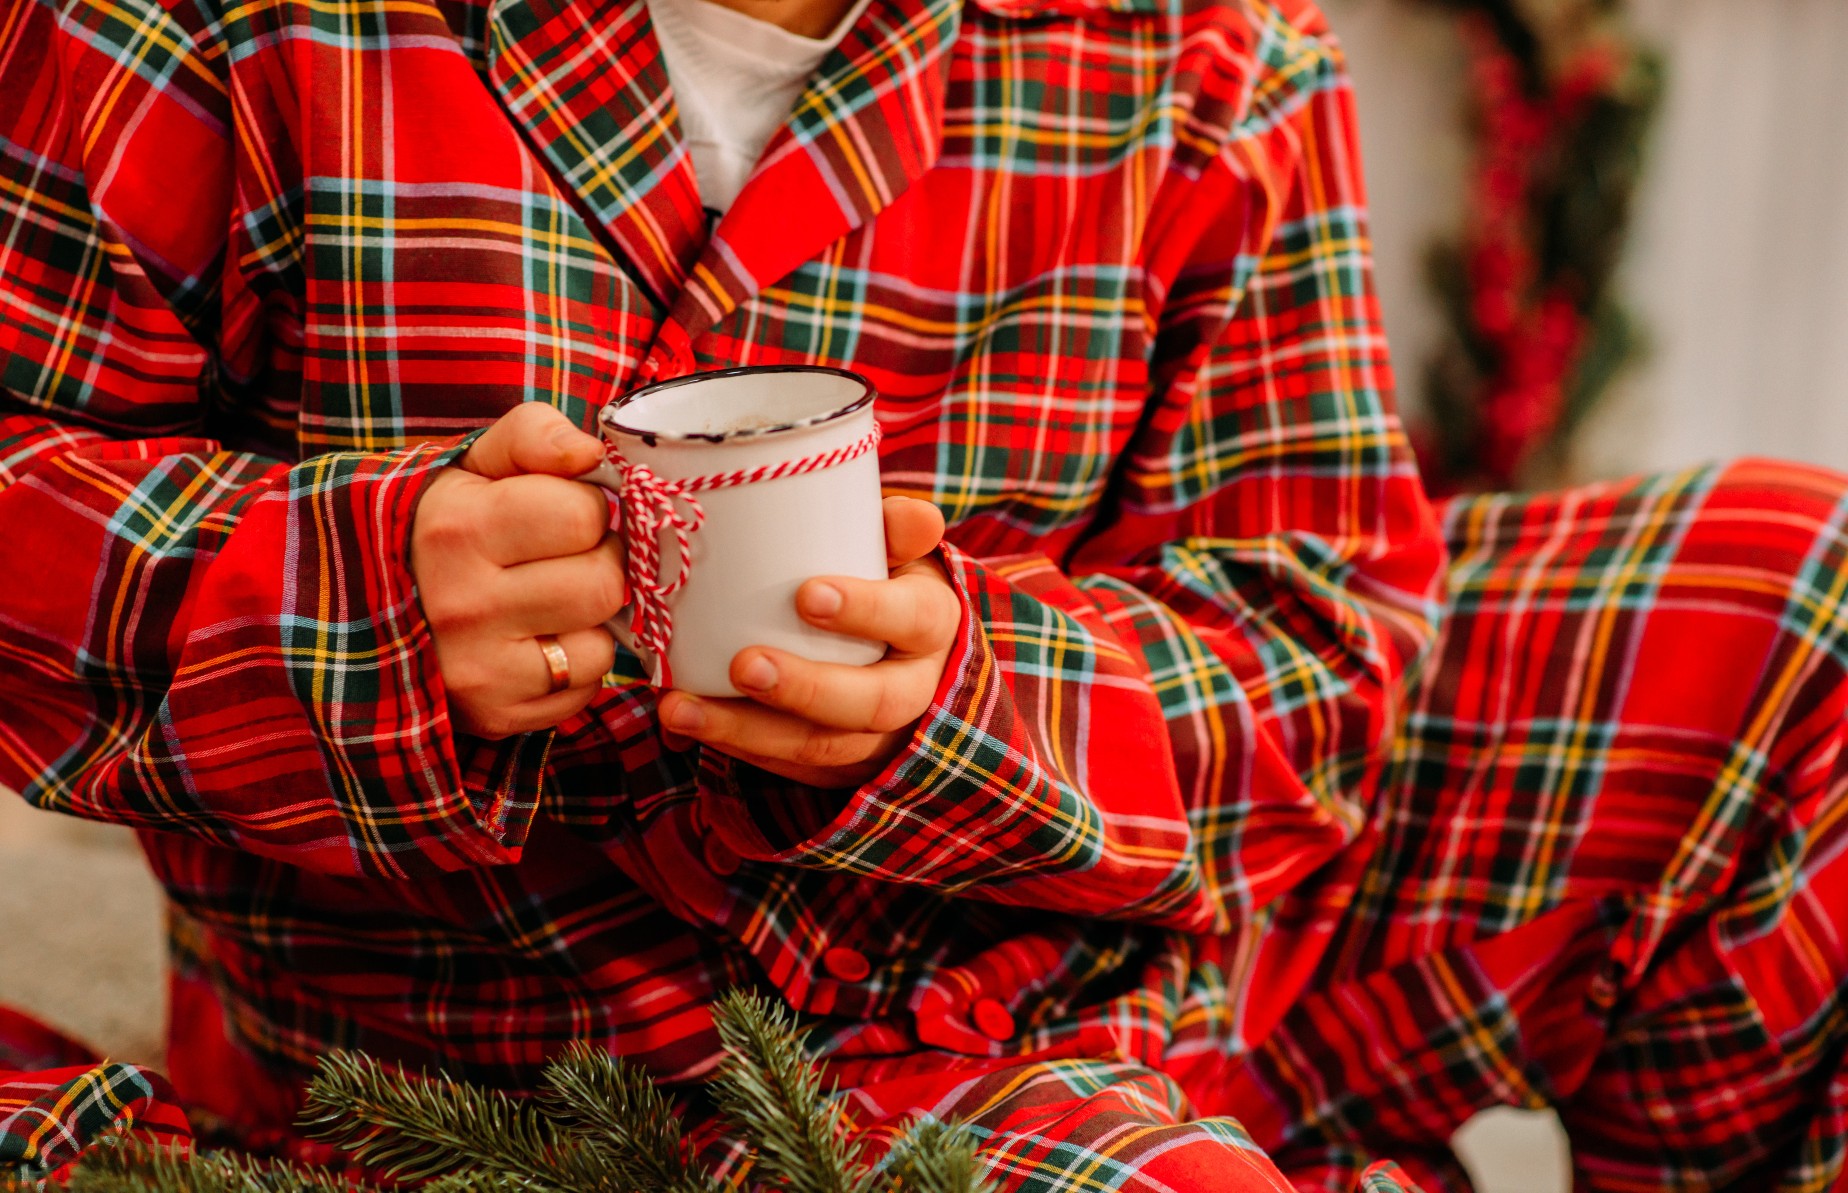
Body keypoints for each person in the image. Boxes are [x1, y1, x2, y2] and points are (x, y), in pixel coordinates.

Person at [0, 0, 1844, 1185]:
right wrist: (352, 609)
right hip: (567, 1055)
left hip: (1120, 911)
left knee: (1796, 612)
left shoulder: (1203, 55)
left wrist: (972, 692)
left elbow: (1321, 649)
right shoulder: (201, 33)